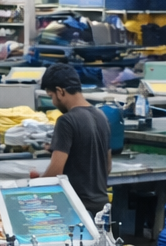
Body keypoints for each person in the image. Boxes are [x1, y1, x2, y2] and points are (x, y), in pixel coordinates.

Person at [30, 63, 111, 215]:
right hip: (102, 208)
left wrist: (33, 185)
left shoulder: (66, 121)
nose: (53, 102)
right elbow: (107, 166)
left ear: (60, 91)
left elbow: (56, 172)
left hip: (77, 209)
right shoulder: (102, 116)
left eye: (51, 96)